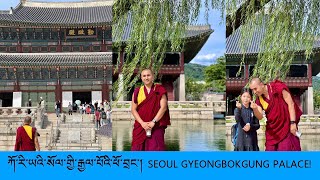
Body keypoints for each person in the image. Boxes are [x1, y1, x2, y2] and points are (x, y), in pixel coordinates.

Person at [249, 78, 302, 151]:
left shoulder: (277, 87)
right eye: (252, 90)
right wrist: (255, 109)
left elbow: (291, 103)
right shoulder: (259, 99)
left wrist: (293, 123)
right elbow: (260, 117)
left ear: (261, 85)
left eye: (255, 89)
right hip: (272, 131)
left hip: (286, 127)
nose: (254, 92)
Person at [131, 68, 171, 151]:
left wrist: (153, 122)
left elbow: (163, 107)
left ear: (153, 77)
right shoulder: (137, 91)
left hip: (156, 126)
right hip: (141, 126)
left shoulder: (159, 89)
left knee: (156, 150)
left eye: (148, 75)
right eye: (144, 76)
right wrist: (142, 123)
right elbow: (133, 109)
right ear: (141, 78)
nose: (146, 78)